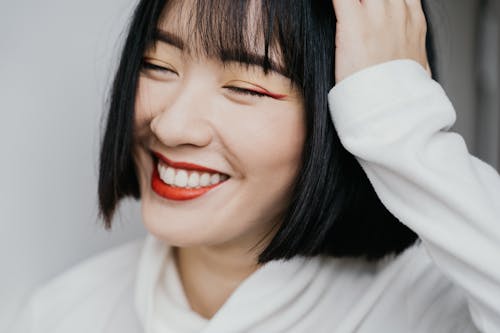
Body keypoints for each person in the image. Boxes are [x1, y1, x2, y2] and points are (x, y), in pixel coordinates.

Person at [8, 0, 500, 332]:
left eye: (245, 88)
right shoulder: (62, 315)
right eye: (157, 65)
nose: (172, 126)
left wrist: (400, 122)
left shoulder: (434, 307)